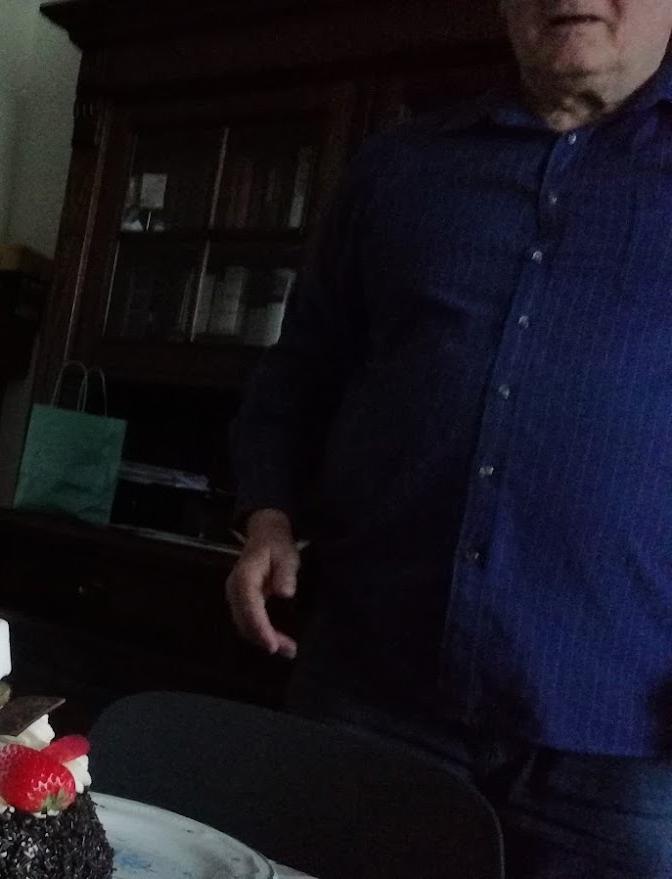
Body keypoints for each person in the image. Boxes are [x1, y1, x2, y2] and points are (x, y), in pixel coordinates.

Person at [226, 1, 672, 875]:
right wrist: (267, 514)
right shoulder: (400, 166)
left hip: (624, 732)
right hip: (372, 689)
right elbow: (301, 367)